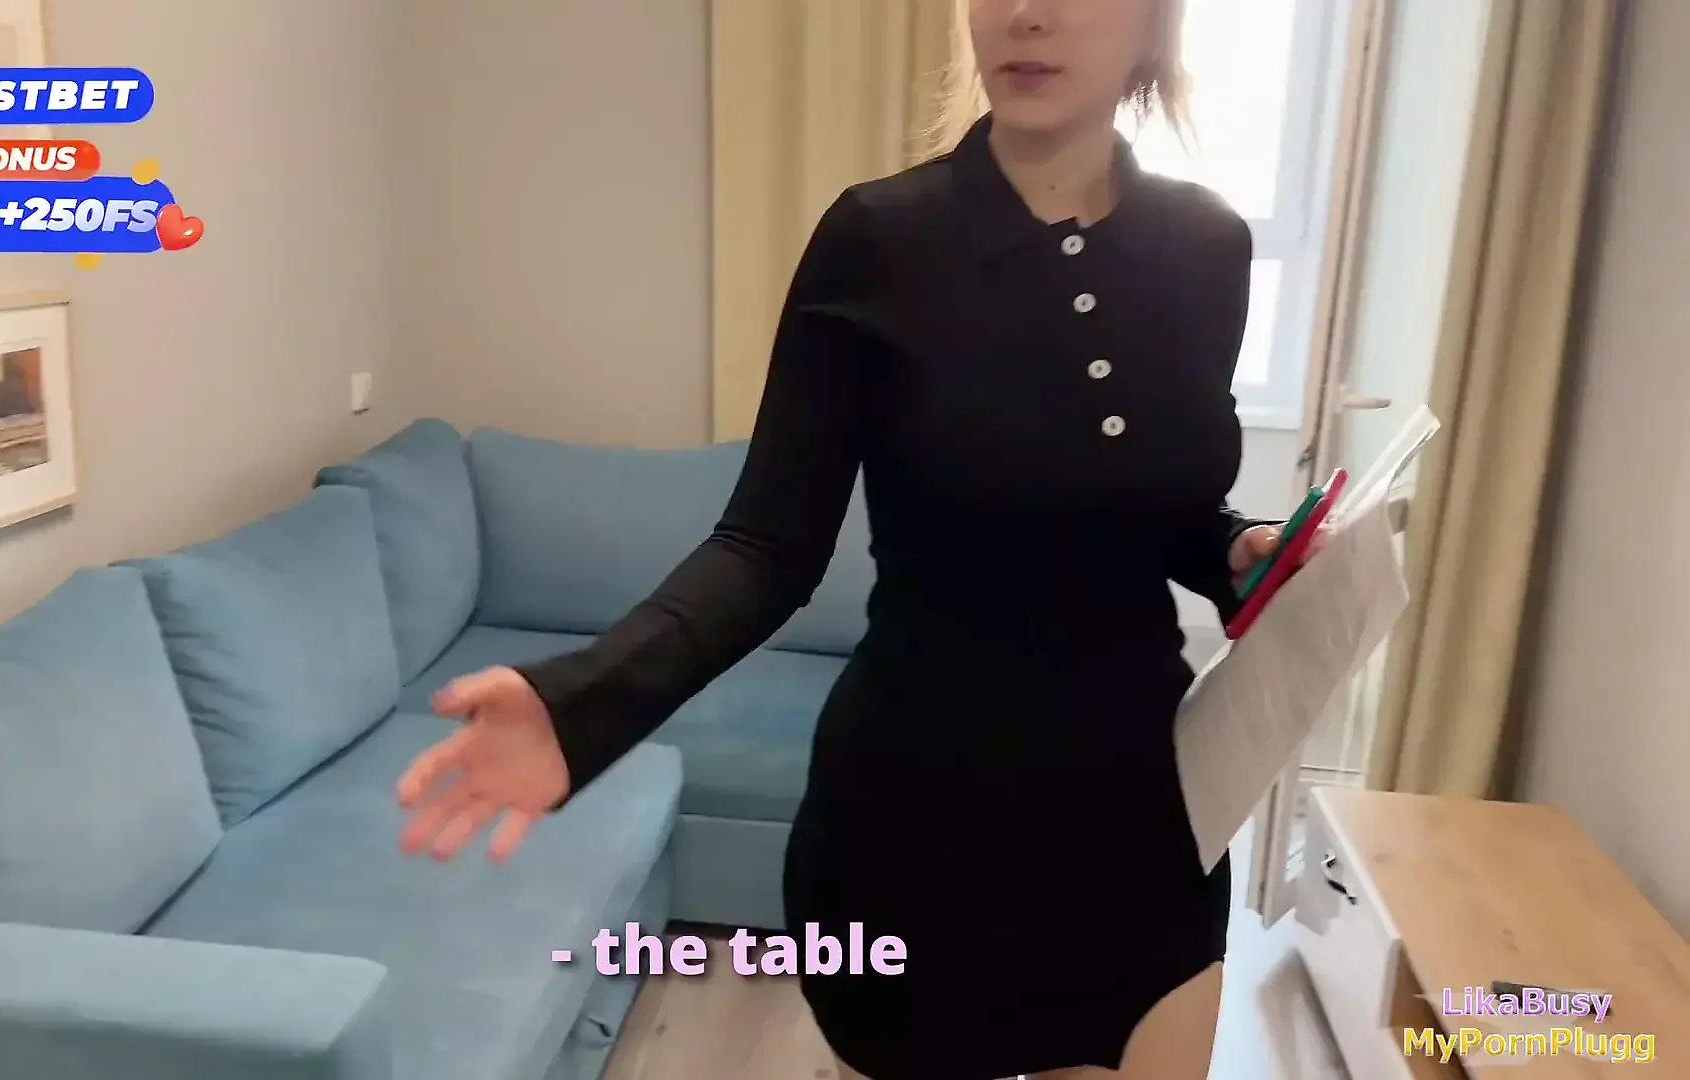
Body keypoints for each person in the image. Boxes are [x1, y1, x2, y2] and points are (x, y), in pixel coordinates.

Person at [396, 1, 1288, 1076]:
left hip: (1139, 813)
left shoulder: (1207, 248)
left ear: (1154, 22)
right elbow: (765, 548)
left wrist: (1235, 549)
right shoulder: (879, 240)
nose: (1025, 13)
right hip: (919, 821)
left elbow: (1157, 502)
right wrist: (583, 703)